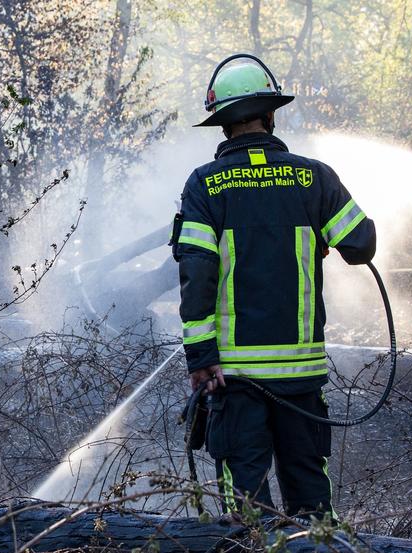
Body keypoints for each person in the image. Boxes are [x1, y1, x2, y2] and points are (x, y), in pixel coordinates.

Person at [172, 54, 376, 518]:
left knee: (247, 510)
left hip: (237, 380)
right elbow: (362, 245)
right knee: (311, 499)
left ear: (223, 124)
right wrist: (315, 230)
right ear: (270, 113)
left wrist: (201, 358)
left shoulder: (206, 185)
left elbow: (197, 272)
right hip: (301, 379)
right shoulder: (313, 177)